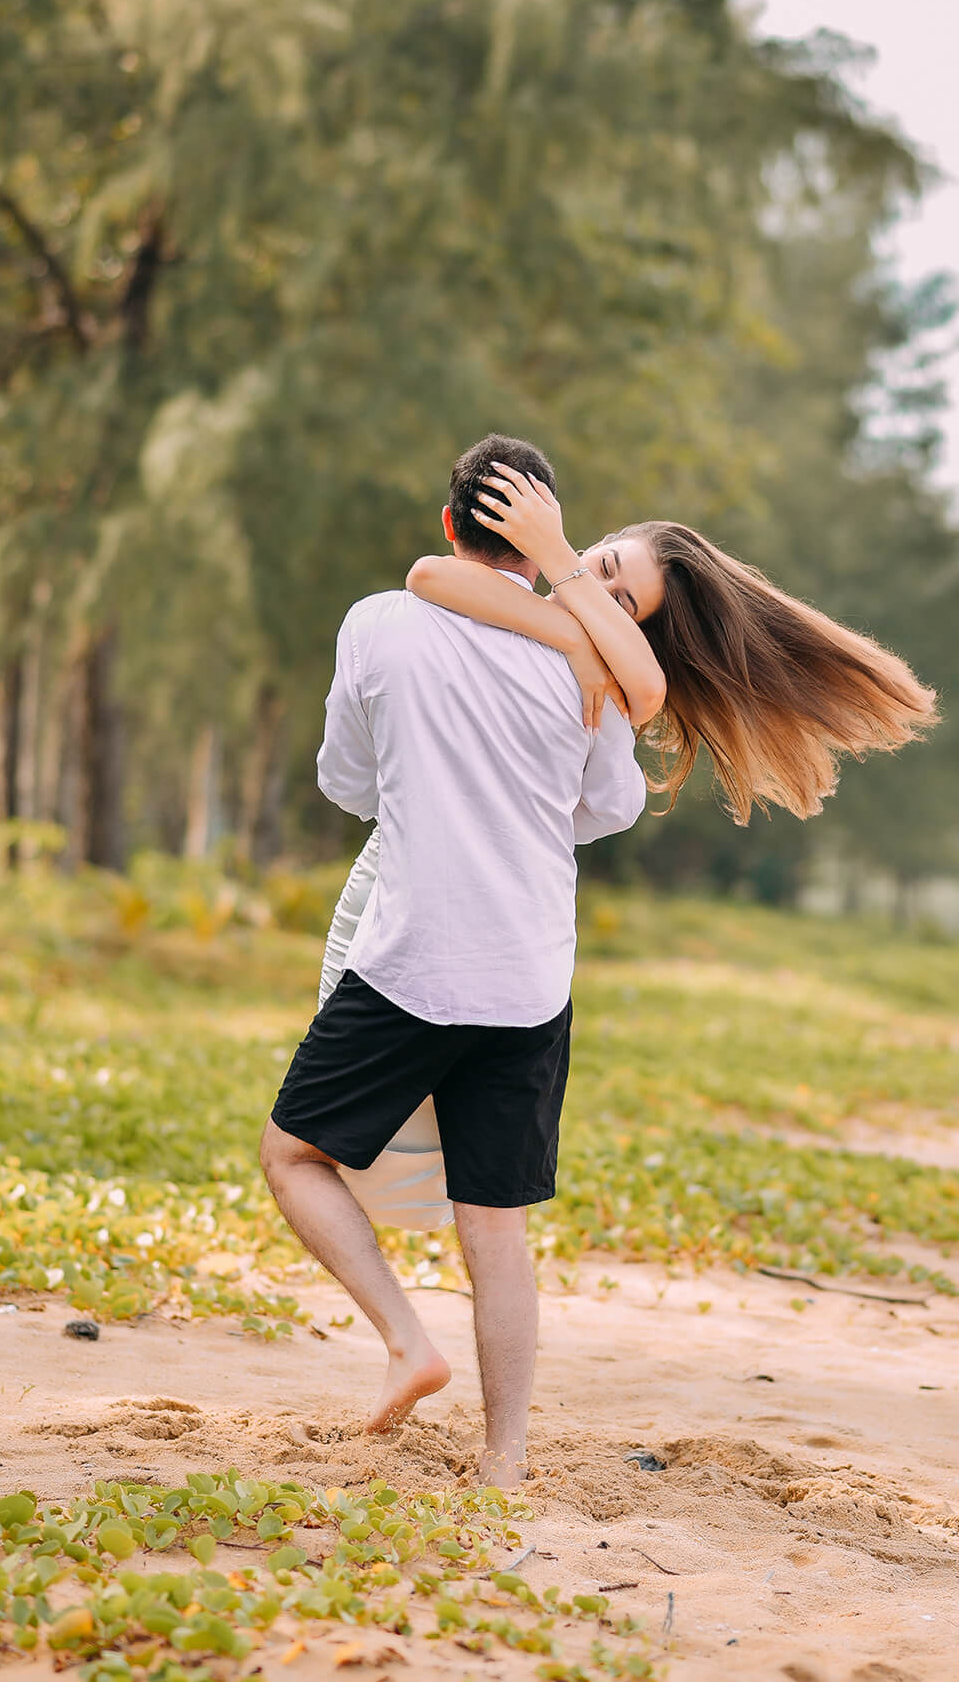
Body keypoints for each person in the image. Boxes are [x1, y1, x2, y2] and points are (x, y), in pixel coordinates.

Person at [323, 456, 939, 1235]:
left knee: (386, 1156)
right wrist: (569, 627)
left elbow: (637, 706)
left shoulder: (611, 687)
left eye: (623, 601)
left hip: (454, 903)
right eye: (605, 564)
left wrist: (566, 591)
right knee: (361, 1135)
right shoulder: (538, 630)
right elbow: (429, 576)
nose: (598, 592)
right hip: (404, 879)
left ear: (637, 630)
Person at [260, 434, 648, 1487]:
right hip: (528, 976)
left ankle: (404, 1340)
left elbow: (349, 778)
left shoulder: (379, 622)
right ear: (535, 546)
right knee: (495, 1224)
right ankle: (505, 1454)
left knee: (293, 1153)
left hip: (413, 959)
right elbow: (605, 807)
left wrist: (428, 791)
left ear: (446, 526)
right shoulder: (591, 663)